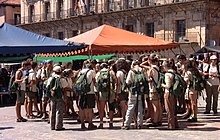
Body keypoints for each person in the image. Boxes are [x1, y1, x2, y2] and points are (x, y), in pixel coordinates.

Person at [122, 60, 145, 130]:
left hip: (133, 92)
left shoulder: (131, 71)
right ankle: (140, 124)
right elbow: (146, 80)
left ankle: (127, 124)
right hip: (141, 91)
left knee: (130, 107)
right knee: (140, 108)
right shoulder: (142, 70)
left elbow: (128, 81)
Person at [47, 65, 68, 130]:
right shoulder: (62, 79)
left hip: (52, 96)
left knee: (52, 110)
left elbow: (47, 87)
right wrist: (65, 97)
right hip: (59, 95)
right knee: (59, 111)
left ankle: (52, 126)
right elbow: (65, 88)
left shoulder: (50, 78)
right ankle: (58, 126)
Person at [96, 63, 116, 129]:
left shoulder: (99, 73)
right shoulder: (111, 72)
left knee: (102, 108)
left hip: (102, 92)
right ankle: (111, 123)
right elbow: (115, 80)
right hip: (110, 91)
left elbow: (96, 82)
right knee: (111, 107)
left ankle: (101, 123)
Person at [78, 61, 97, 130]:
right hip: (90, 92)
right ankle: (90, 123)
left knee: (82, 108)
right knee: (89, 108)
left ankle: (82, 124)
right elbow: (94, 81)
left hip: (82, 92)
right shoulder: (92, 71)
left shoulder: (81, 72)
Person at [161, 61, 179, 129]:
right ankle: (175, 123)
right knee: (173, 109)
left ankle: (171, 125)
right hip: (174, 93)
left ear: (165, 67)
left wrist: (162, 85)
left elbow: (168, 85)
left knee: (169, 109)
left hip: (168, 92)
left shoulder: (167, 74)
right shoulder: (174, 72)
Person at [147, 54, 162, 126]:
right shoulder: (158, 68)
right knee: (158, 105)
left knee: (155, 106)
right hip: (158, 88)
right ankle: (159, 119)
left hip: (153, 89)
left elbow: (149, 79)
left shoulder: (151, 69)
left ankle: (155, 121)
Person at [116, 58, 129, 128]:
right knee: (128, 106)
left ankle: (124, 121)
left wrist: (116, 93)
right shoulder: (127, 71)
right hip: (127, 90)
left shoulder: (119, 72)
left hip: (121, 91)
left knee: (123, 107)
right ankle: (134, 121)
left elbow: (118, 83)